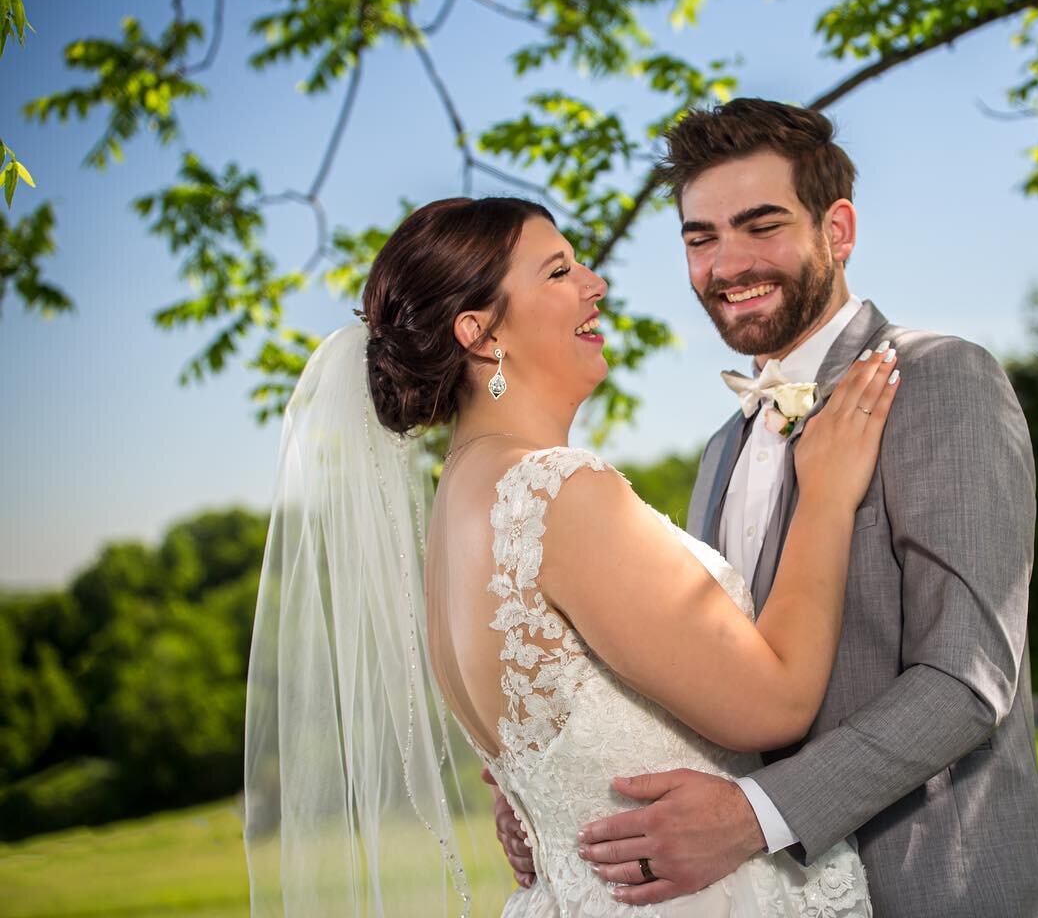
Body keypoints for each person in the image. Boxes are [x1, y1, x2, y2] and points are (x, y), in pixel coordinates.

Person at [492, 99, 1038, 917]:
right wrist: (554, 788)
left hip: (944, 885)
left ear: (837, 229)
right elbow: (709, 685)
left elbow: (967, 678)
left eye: (760, 226)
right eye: (700, 238)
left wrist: (752, 818)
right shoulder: (717, 452)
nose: (726, 264)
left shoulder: (941, 380)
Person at [242, 194, 899, 916]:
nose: (596, 284)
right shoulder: (558, 496)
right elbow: (775, 705)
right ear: (482, 333)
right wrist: (827, 497)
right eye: (558, 272)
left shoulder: (458, 515)